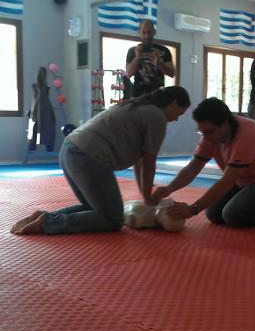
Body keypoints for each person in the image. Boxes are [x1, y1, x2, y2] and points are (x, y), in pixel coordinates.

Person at [11, 86, 190, 235]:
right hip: (88, 156)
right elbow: (150, 163)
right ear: (173, 103)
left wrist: (146, 196)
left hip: (70, 150)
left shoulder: (138, 106)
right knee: (113, 219)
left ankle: (44, 216)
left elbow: (140, 163)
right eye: (179, 113)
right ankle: (48, 222)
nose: (176, 119)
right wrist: (149, 199)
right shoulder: (157, 116)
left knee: (92, 207)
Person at [153, 97, 255, 228]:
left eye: (210, 131)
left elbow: (226, 181)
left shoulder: (247, 135)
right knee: (213, 214)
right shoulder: (210, 136)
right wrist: (169, 188)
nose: (206, 137)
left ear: (226, 123)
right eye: (202, 132)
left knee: (233, 215)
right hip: (245, 181)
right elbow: (193, 168)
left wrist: (192, 209)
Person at [125, 20, 175, 98]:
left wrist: (158, 62)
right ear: (139, 32)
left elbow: (172, 74)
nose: (147, 36)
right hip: (138, 95)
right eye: (144, 32)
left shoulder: (164, 50)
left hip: (158, 95)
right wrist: (137, 57)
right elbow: (129, 74)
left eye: (149, 32)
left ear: (154, 32)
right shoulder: (133, 51)